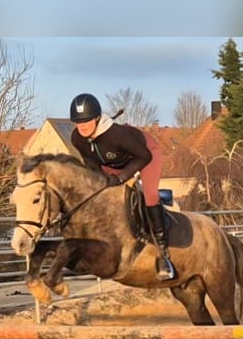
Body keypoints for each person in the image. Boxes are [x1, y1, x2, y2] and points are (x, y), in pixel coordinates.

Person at [69, 93, 176, 281]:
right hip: (117, 162)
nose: (82, 126)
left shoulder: (117, 134)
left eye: (86, 120)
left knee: (150, 195)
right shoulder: (77, 138)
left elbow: (144, 157)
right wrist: (102, 180)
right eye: (78, 122)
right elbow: (89, 160)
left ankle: (163, 256)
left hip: (145, 153)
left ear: (96, 118)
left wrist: (123, 177)